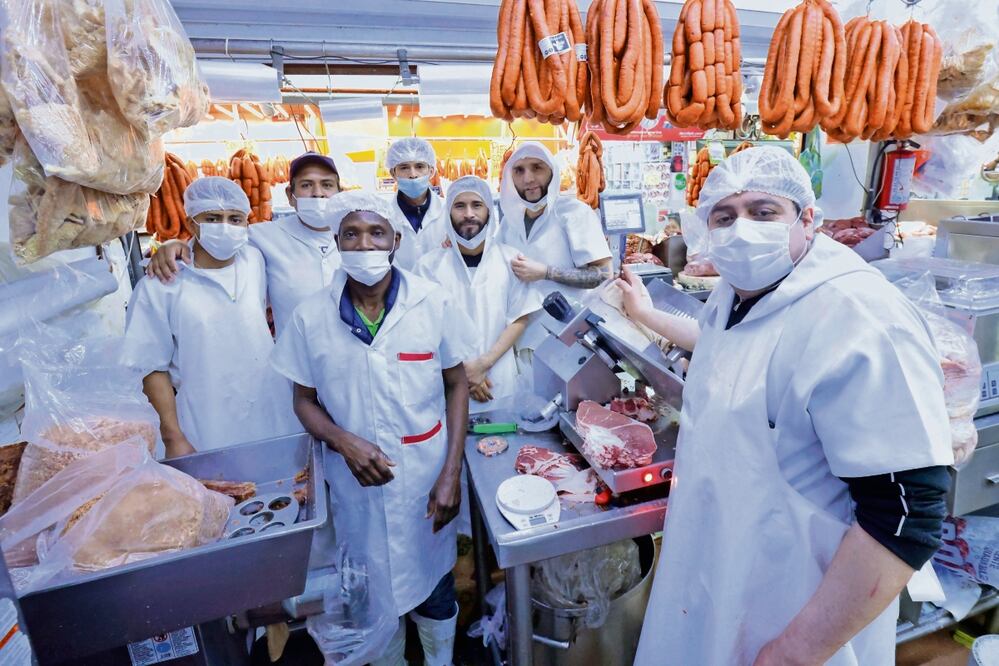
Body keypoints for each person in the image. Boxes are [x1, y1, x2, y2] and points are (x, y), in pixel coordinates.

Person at [621, 147, 953, 665]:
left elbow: (907, 516)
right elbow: (732, 349)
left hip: (796, 611)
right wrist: (644, 314)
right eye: (725, 217)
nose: (742, 229)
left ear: (807, 219)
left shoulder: (859, 315)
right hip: (724, 574)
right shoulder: (739, 294)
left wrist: (794, 652)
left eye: (763, 212)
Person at [270, 191, 473, 666]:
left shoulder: (432, 301)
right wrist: (344, 442)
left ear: (395, 240)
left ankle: (440, 659)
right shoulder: (310, 316)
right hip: (355, 487)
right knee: (369, 596)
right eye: (352, 234)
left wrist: (450, 474)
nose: (364, 245)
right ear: (337, 242)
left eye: (376, 233)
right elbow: (303, 399)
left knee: (434, 586)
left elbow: (457, 383)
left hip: (425, 479)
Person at [122, 177, 302, 457]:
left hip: (271, 407)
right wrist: (173, 437)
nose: (225, 226)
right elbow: (150, 367)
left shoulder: (254, 260)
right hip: (207, 420)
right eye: (212, 218)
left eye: (235, 219)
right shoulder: (160, 284)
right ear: (192, 222)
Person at [146, 151, 342, 336]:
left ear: (339, 193)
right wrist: (175, 245)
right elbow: (216, 241)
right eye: (306, 185)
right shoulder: (262, 236)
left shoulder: (355, 235)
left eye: (327, 185)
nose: (318, 193)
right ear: (290, 195)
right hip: (295, 355)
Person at [414, 175, 542, 413]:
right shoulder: (428, 267)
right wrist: (461, 372)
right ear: (448, 213)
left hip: (498, 381)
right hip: (447, 380)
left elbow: (519, 318)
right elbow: (424, 328)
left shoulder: (511, 260)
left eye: (477, 205)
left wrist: (483, 364)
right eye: (459, 206)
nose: (469, 214)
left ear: (489, 211)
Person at [497, 141, 613, 306]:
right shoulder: (509, 222)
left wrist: (547, 272)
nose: (528, 179)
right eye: (519, 170)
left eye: (537, 168)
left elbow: (604, 273)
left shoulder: (574, 213)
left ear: (552, 172)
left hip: (571, 319)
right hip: (521, 321)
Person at [384, 137, 449, 270]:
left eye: (419, 166)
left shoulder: (449, 210)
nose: (413, 174)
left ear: (431, 171)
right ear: (393, 173)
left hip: (440, 282)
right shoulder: (383, 215)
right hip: (400, 282)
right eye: (404, 167)